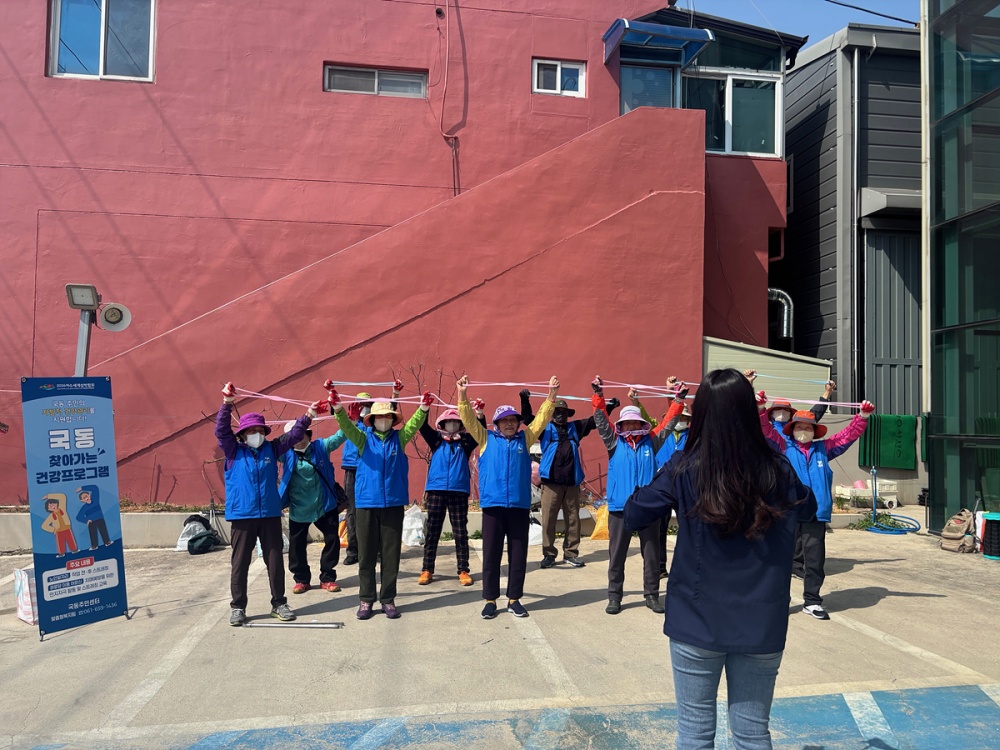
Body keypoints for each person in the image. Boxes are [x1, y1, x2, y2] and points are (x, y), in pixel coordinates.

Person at [624, 368, 815, 750]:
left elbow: (634, 512)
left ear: (702, 415)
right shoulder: (777, 467)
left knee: (694, 732)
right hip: (761, 621)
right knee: (751, 734)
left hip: (697, 619)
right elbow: (808, 507)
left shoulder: (685, 466)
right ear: (749, 412)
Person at [756, 385, 874, 621]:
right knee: (779, 561)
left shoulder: (824, 449)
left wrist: (862, 417)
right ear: (792, 429)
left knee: (814, 562)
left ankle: (812, 601)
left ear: (814, 431)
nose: (803, 430)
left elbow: (847, 436)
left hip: (816, 513)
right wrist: (760, 408)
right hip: (787, 512)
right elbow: (765, 429)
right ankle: (777, 602)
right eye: (799, 426)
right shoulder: (782, 446)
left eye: (808, 427)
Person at [216, 381, 322, 626]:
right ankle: (238, 607)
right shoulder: (233, 451)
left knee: (275, 561)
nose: (258, 436)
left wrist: (309, 415)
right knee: (240, 563)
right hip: (243, 516)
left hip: (271, 515)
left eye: (261, 431)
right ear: (243, 434)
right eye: (252, 432)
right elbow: (221, 431)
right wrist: (227, 404)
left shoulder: (271, 450)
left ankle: (279, 603)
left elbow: (293, 435)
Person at [456, 374, 558, 620]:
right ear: (496, 424)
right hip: (493, 506)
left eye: (513, 420)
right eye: (505, 421)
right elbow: (468, 419)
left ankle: (514, 599)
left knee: (518, 554)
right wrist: (462, 394)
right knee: (491, 554)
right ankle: (490, 599)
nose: (510, 424)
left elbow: (542, 419)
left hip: (519, 506)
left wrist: (551, 394)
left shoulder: (526, 438)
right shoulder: (485, 439)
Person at [331, 387, 431, 620]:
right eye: (379, 417)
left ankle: (388, 599)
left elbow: (415, 424)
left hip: (393, 505)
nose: (384, 420)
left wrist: (424, 408)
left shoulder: (400, 438)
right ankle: (366, 600)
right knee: (365, 556)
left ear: (392, 419)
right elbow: (347, 426)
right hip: (366, 504)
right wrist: (337, 408)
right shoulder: (362, 438)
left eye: (388, 416)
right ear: (372, 419)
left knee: (390, 555)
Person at [591, 376, 671, 615]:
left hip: (647, 508)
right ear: (621, 425)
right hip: (619, 508)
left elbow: (669, 423)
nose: (631, 426)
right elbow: (601, 420)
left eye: (635, 423)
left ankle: (652, 595)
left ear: (641, 424)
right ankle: (614, 597)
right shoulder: (614, 443)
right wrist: (598, 394)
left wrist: (677, 400)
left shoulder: (652, 442)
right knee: (617, 555)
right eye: (627, 423)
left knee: (652, 554)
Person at [520, 389, 619, 570]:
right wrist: (524, 399)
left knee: (573, 519)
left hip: (572, 483)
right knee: (548, 519)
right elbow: (527, 418)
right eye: (556, 412)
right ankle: (549, 554)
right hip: (550, 483)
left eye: (563, 413)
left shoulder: (576, 428)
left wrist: (609, 406)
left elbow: (595, 421)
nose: (560, 415)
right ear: (551, 414)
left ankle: (571, 554)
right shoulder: (544, 429)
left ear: (567, 415)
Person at [416, 403, 486, 587]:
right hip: (436, 490)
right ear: (442, 424)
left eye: (455, 422)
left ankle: (463, 570)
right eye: (448, 422)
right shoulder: (436, 440)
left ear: (460, 424)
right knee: (432, 532)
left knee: (460, 533)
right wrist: (425, 407)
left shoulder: (465, 442)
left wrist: (479, 413)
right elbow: (422, 426)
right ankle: (427, 569)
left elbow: (481, 431)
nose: (452, 425)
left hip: (459, 491)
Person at [278, 420, 348, 595]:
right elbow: (265, 449)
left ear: (308, 434)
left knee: (332, 540)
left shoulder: (321, 447)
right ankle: (301, 579)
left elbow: (340, 436)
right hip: (299, 507)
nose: (299, 440)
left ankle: (328, 577)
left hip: (325, 505)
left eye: (302, 435)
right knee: (297, 546)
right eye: (294, 437)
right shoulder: (284, 454)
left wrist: (349, 420)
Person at [338, 381, 402, 566]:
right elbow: (340, 420)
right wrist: (349, 417)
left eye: (367, 405)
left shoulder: (373, 425)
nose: (363, 409)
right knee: (353, 510)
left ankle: (379, 550)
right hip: (352, 467)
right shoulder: (352, 421)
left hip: (372, 467)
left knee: (377, 511)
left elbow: (391, 409)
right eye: (360, 405)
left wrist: (395, 393)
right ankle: (353, 549)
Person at [41, 493, 77, 557]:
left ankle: (74, 550)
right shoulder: (51, 516)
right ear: (48, 509)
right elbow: (44, 525)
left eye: (53, 504)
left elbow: (62, 497)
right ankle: (61, 553)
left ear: (56, 504)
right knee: (60, 543)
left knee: (71, 540)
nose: (52, 506)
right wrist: (53, 530)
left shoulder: (62, 508)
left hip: (67, 528)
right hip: (59, 531)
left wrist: (48, 496)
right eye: (50, 506)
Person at [75, 485, 111, 549]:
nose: (86, 498)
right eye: (83, 498)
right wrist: (86, 520)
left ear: (89, 495)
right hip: (91, 521)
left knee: (103, 530)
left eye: (86, 496)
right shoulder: (84, 508)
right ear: (82, 500)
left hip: (100, 519)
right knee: (92, 533)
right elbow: (78, 517)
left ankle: (107, 542)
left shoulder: (95, 500)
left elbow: (95, 488)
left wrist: (82, 488)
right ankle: (94, 545)